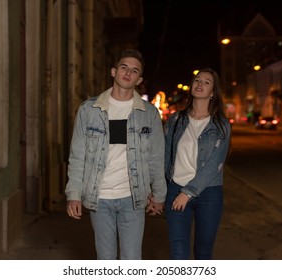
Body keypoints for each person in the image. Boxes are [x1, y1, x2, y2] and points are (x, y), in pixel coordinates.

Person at [65, 49, 166, 260]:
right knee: (106, 260)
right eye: (124, 67)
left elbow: (156, 157)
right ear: (113, 72)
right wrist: (73, 194)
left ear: (139, 79)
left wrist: (159, 194)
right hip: (99, 197)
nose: (128, 73)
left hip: (133, 198)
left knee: (131, 260)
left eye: (134, 70)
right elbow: (77, 156)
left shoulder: (148, 113)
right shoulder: (89, 110)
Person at [164, 68, 231, 260]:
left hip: (209, 194)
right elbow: (165, 156)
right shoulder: (176, 120)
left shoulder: (221, 125)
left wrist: (188, 192)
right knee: (178, 255)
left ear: (212, 92)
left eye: (206, 82)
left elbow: (215, 164)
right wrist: (159, 190)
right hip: (175, 190)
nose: (200, 84)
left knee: (203, 254)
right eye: (197, 80)